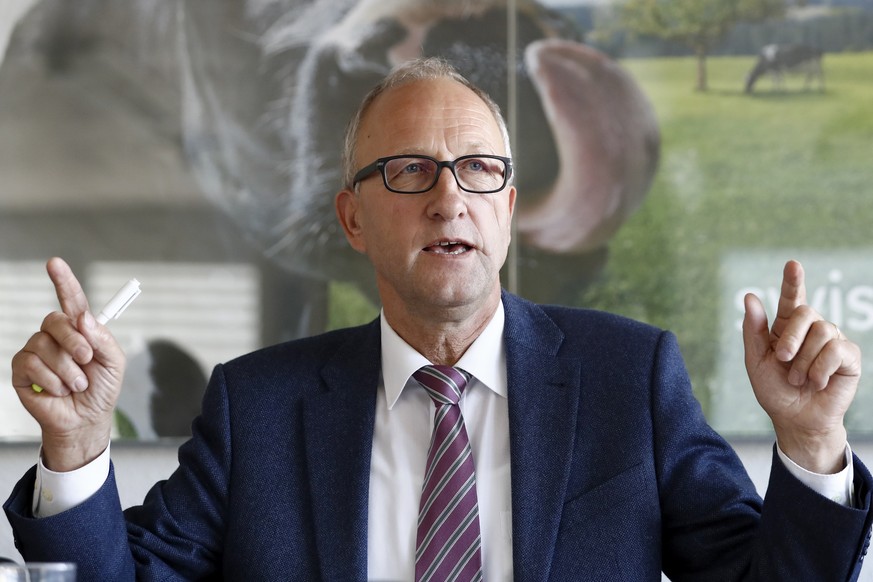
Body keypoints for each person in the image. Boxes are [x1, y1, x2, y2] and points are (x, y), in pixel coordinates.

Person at [4, 58, 872, 581]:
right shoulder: (256, 407)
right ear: (352, 219)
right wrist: (76, 449)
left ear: (507, 209)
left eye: (479, 171)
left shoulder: (628, 377)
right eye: (410, 171)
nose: (450, 196)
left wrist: (809, 445)